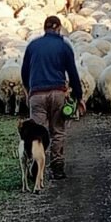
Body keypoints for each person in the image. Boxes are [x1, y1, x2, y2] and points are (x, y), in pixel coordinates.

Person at [20, 16, 85, 180]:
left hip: (37, 94)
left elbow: (24, 72)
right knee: (57, 130)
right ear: (58, 28)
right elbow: (73, 73)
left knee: (37, 131)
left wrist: (29, 90)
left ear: (44, 29)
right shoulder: (63, 46)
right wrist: (78, 97)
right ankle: (57, 167)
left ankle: (36, 166)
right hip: (57, 93)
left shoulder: (32, 46)